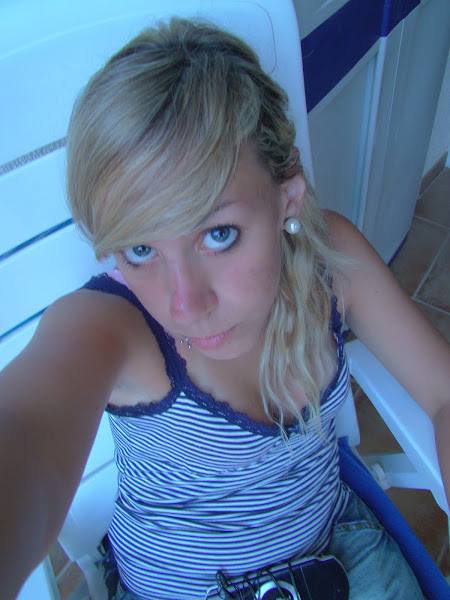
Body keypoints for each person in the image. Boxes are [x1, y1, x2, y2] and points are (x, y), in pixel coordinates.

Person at [0, 17, 449, 600]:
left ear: (287, 197)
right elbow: (26, 435)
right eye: (140, 250)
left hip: (336, 557)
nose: (185, 305)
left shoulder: (328, 264)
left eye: (218, 234)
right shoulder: (116, 327)